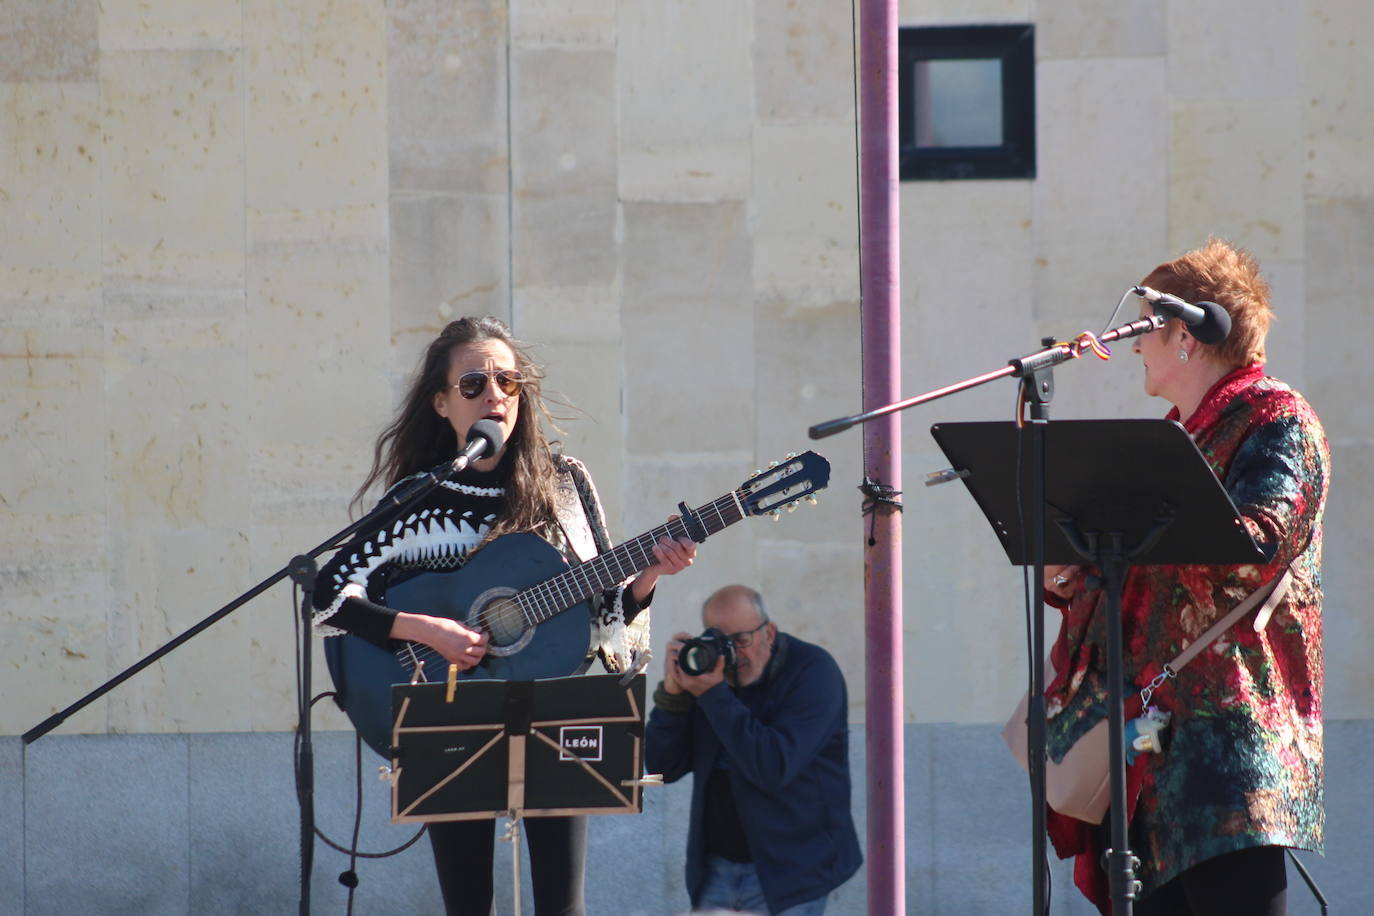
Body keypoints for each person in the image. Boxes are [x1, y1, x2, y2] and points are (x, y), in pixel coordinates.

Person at [312, 316, 698, 915]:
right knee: (469, 906)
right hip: (445, 709)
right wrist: (425, 630)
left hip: (555, 708)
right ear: (442, 403)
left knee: (563, 907)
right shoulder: (417, 501)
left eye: (508, 382)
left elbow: (606, 614)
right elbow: (332, 592)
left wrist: (650, 573)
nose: (494, 394)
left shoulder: (564, 486)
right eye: (473, 384)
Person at [1041, 239, 1329, 915]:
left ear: (1186, 338)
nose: (1134, 347)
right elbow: (1154, 586)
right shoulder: (1181, 437)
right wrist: (1078, 571)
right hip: (1151, 745)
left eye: (1145, 329)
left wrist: (1124, 536)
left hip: (1230, 745)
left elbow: (1260, 539)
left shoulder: (1276, 418)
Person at [645, 585, 862, 915]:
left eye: (741, 641)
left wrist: (714, 694)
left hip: (792, 873)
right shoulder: (710, 676)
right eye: (721, 641)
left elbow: (772, 768)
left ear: (769, 633)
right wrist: (673, 697)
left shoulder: (813, 672)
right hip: (715, 870)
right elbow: (664, 768)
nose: (733, 654)